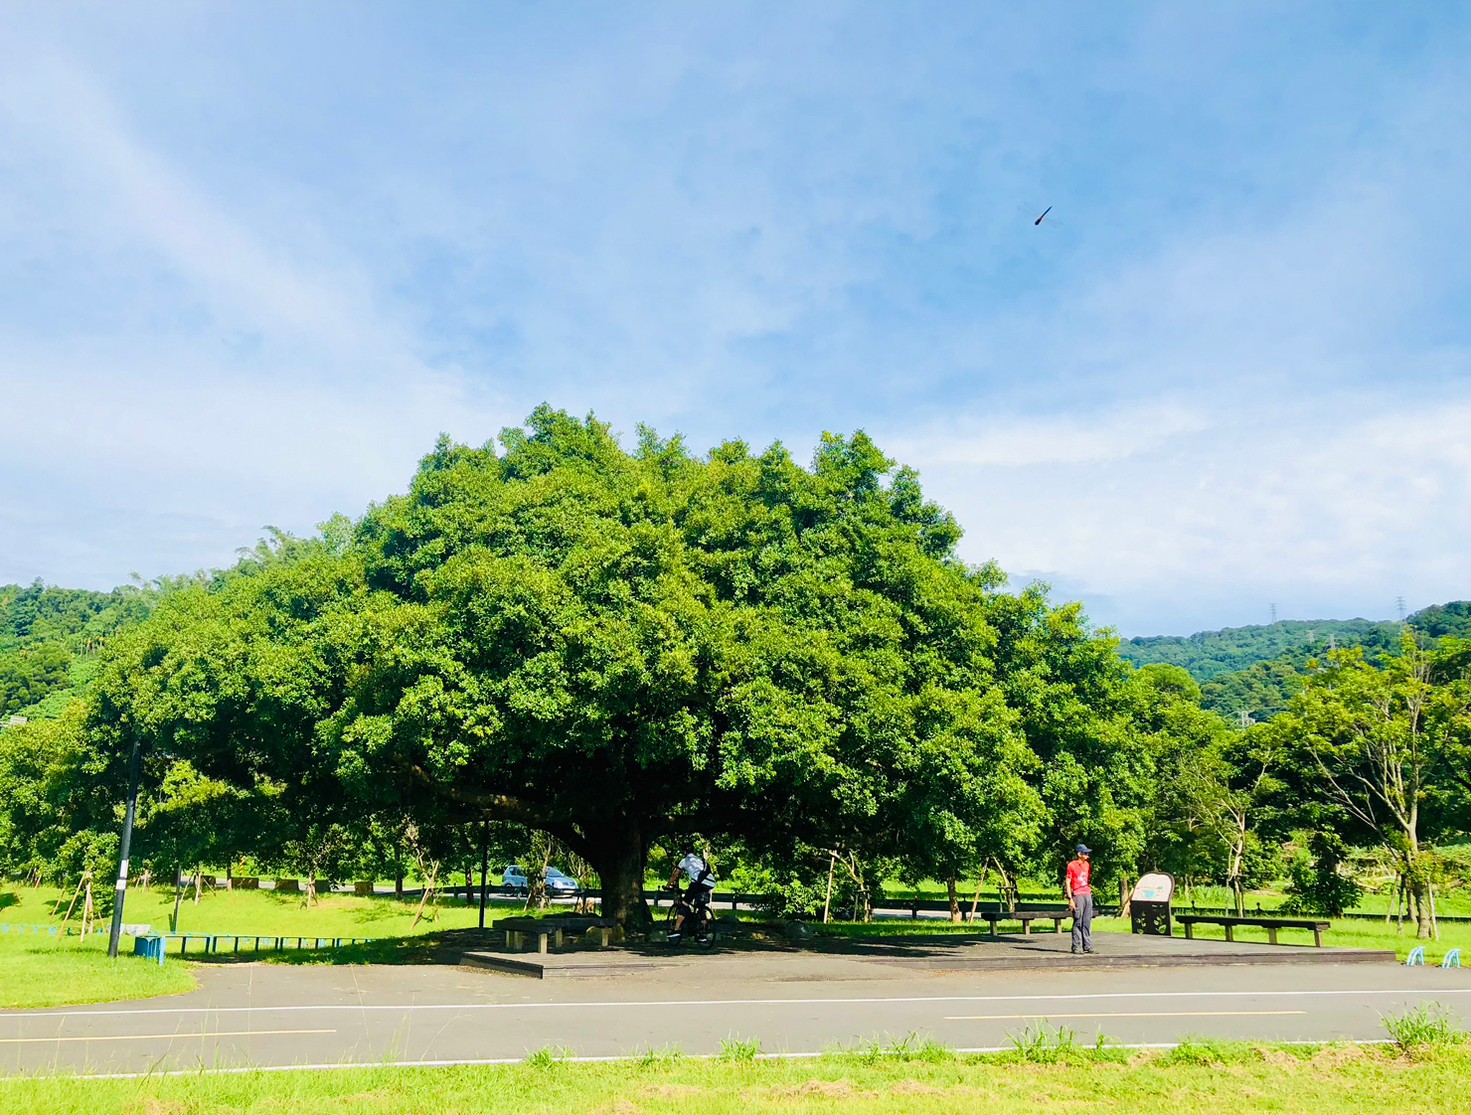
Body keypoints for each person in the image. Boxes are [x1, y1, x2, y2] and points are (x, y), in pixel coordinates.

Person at [666, 849, 717, 944]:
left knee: (684, 904)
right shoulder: (700, 860)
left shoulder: (684, 861)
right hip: (708, 884)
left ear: (685, 852)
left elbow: (675, 874)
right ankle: (703, 933)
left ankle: (676, 929)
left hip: (697, 884)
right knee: (701, 907)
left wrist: (668, 885)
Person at [1065, 844, 1094, 954]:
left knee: (1087, 920)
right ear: (1079, 854)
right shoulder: (1072, 865)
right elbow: (1068, 882)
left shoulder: (1087, 865)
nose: (1087, 855)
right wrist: (1070, 899)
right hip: (1077, 895)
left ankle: (1087, 945)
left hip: (1087, 894)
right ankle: (1076, 946)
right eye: (1085, 853)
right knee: (1078, 920)